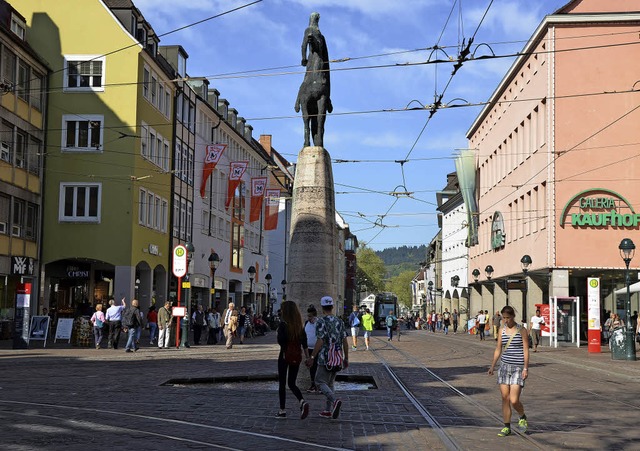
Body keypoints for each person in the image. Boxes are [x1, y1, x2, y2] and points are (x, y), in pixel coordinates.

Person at [488, 305, 530, 437]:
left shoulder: (521, 330)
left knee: (513, 400)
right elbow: (498, 348)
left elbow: (525, 350)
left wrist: (525, 368)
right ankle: (506, 426)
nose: (506, 320)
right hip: (504, 367)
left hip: (517, 368)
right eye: (503, 318)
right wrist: (492, 365)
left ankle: (522, 415)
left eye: (508, 318)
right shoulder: (502, 330)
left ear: (513, 316)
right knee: (505, 398)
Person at [307, 296, 348, 420]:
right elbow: (345, 341)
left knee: (319, 381)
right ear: (332, 306)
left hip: (325, 356)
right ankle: (327, 410)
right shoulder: (339, 321)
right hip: (337, 356)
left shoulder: (321, 321)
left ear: (322, 307)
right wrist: (346, 358)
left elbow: (320, 340)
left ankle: (335, 401)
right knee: (330, 383)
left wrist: (312, 356)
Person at [276, 301, 310, 420]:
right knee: (291, 383)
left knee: (282, 383)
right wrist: (308, 358)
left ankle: (282, 410)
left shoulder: (283, 324)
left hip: (284, 356)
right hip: (296, 356)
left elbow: (280, 341)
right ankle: (301, 401)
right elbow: (304, 343)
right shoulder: (299, 326)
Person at [304, 305, 319, 393]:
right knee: (311, 367)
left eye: (310, 316)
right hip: (309, 348)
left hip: (316, 349)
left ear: (314, 316)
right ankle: (313, 384)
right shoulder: (306, 323)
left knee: (317, 367)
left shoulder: (318, 323)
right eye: (308, 316)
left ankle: (318, 385)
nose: (309, 318)